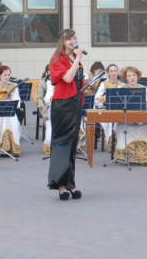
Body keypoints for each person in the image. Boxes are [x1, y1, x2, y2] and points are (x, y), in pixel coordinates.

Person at [47, 29, 85, 200]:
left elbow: (76, 80)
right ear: (62, 42)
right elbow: (67, 78)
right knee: (62, 144)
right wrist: (78, 59)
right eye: (69, 39)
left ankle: (71, 184)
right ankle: (60, 185)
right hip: (62, 105)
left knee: (72, 145)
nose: (73, 41)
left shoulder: (74, 58)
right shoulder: (57, 59)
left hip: (75, 102)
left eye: (74, 38)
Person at [112, 66, 147, 165]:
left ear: (137, 76)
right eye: (129, 76)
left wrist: (140, 117)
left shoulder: (143, 88)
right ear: (126, 78)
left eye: (134, 75)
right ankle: (125, 155)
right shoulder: (121, 89)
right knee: (121, 125)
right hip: (125, 119)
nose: (132, 78)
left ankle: (143, 156)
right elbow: (117, 106)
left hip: (141, 119)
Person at [93, 64, 124, 150]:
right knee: (109, 121)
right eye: (111, 71)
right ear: (108, 73)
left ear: (118, 72)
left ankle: (119, 143)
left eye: (115, 71)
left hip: (119, 110)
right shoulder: (104, 84)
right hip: (106, 110)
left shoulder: (122, 85)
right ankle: (111, 143)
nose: (113, 73)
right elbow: (96, 99)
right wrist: (106, 99)